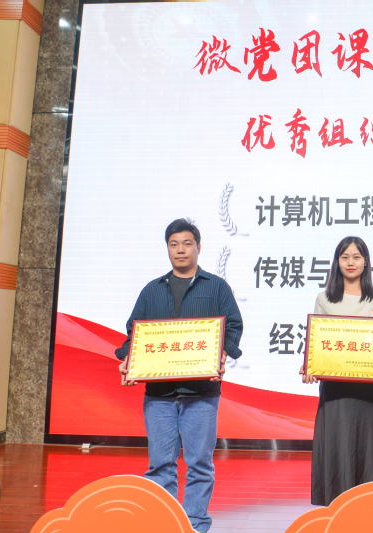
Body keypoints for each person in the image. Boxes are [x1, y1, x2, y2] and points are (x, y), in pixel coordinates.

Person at [115, 218, 243, 533]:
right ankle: (164, 524)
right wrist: (128, 359)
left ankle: (195, 525)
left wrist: (222, 353)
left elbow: (233, 325)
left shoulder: (216, 286)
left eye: (187, 244)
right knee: (160, 465)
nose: (180, 250)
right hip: (159, 395)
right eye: (174, 244)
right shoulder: (152, 290)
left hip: (201, 393)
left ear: (198, 247)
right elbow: (134, 333)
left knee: (200, 465)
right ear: (168, 249)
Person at [299, 236, 373, 506]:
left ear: (366, 262)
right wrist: (309, 365)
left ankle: (368, 504)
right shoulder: (324, 298)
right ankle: (335, 503)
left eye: (356, 257)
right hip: (335, 388)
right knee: (337, 443)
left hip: (369, 389)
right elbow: (317, 342)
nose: (350, 262)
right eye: (345, 257)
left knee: (368, 444)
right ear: (337, 262)